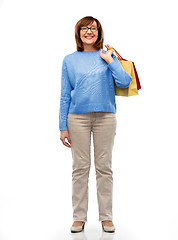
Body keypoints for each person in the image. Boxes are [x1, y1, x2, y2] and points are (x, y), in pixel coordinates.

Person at [59, 16, 132, 233]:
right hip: (77, 118)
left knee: (104, 168)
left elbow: (125, 82)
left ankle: (106, 218)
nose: (89, 31)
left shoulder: (108, 55)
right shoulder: (69, 60)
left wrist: (111, 61)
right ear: (78, 33)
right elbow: (65, 95)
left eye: (93, 28)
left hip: (105, 118)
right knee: (80, 168)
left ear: (99, 32)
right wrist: (62, 126)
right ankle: (78, 217)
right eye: (84, 28)